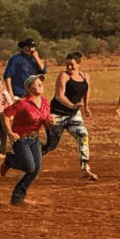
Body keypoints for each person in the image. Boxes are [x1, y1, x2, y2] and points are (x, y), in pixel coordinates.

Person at [0, 74, 56, 206]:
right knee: (30, 166)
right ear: (29, 88)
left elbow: (45, 121)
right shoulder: (22, 103)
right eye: (36, 83)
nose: (40, 84)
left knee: (35, 170)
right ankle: (10, 160)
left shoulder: (45, 102)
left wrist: (50, 122)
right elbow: (6, 114)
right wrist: (9, 132)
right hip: (21, 139)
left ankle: (17, 197)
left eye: (41, 82)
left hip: (34, 138)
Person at [42, 52, 98, 181]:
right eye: (67, 64)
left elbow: (87, 90)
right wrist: (72, 106)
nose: (69, 67)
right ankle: (28, 158)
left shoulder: (85, 76)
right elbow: (59, 95)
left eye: (72, 65)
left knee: (83, 135)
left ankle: (85, 168)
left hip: (73, 115)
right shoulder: (63, 76)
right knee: (51, 145)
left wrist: (86, 106)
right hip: (57, 114)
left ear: (79, 64)